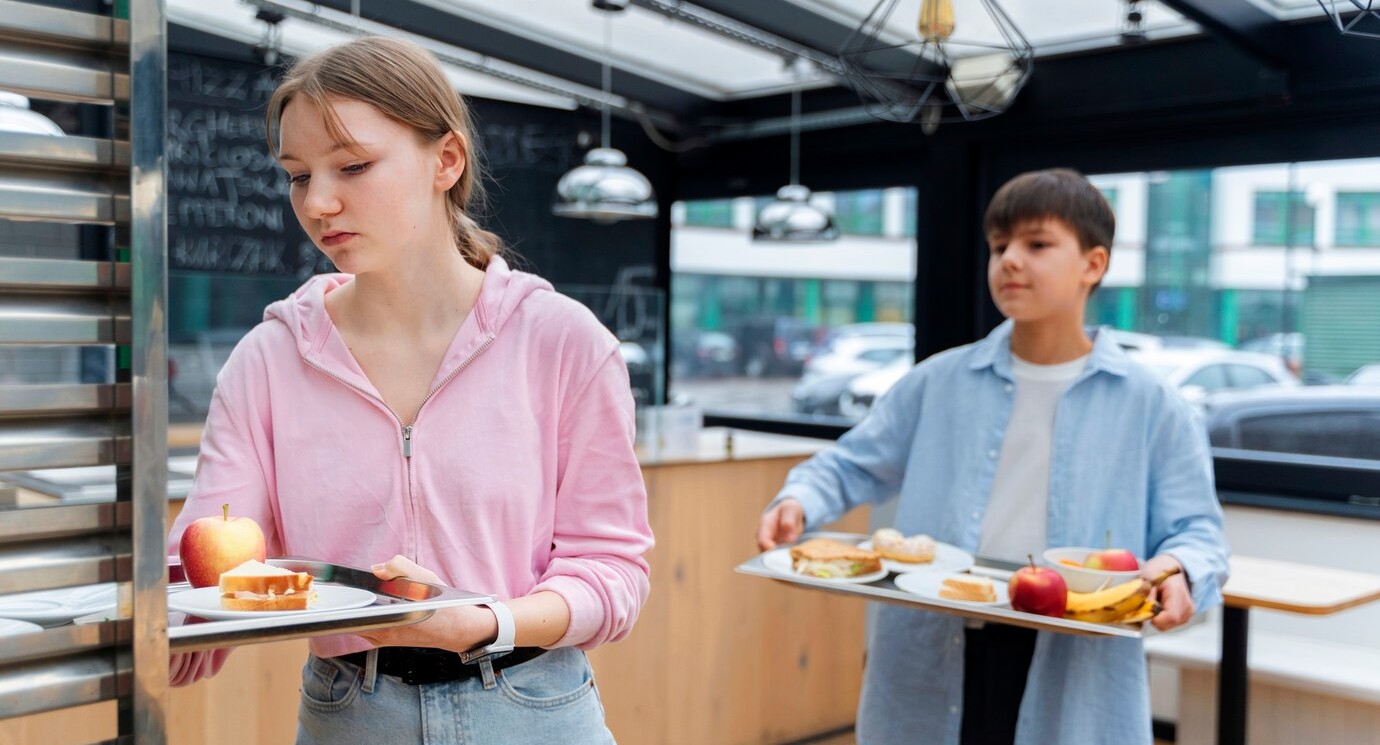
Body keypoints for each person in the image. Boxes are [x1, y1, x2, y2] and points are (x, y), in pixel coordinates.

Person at [166, 36, 653, 744]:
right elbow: (208, 568)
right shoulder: (266, 361)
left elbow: (613, 572)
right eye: (298, 175)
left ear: (445, 161)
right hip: (350, 715)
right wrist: (161, 617)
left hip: (534, 707)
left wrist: (488, 622)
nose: (319, 202)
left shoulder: (563, 342)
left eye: (354, 165)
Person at [756, 169, 1229, 745]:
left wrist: (1179, 571)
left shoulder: (1154, 404)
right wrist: (800, 498)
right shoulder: (938, 380)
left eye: (1036, 244)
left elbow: (1198, 532)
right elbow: (853, 462)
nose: (1008, 260)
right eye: (998, 246)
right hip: (937, 640)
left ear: (1093, 264)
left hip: (1073, 657)